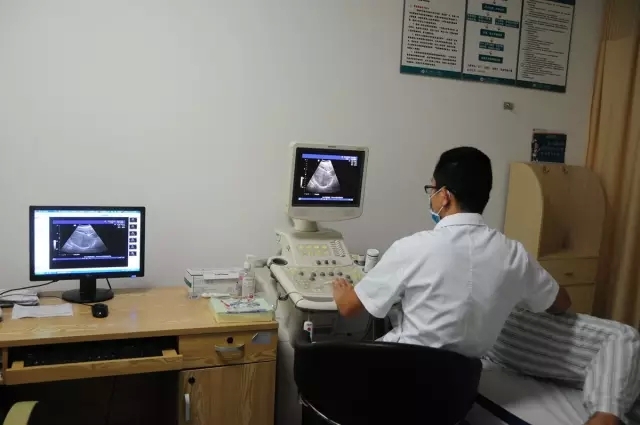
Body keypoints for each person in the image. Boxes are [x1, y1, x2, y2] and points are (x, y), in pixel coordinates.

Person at [332, 146, 572, 359]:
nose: (431, 197)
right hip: (459, 388)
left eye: (432, 189)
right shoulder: (515, 255)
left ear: (445, 196)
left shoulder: (412, 248)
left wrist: (342, 290)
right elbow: (561, 302)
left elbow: (348, 308)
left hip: (403, 375)